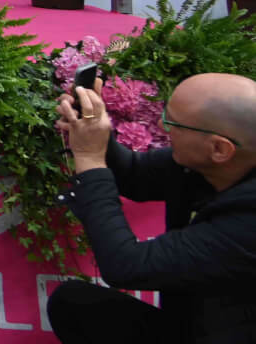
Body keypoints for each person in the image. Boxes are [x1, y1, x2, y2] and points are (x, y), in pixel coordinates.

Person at [49, 73, 256, 343]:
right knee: (75, 304)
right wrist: (92, 125)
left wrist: (89, 157)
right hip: (194, 321)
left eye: (172, 122)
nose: (161, 124)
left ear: (219, 149)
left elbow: (126, 266)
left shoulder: (248, 222)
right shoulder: (214, 163)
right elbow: (135, 174)